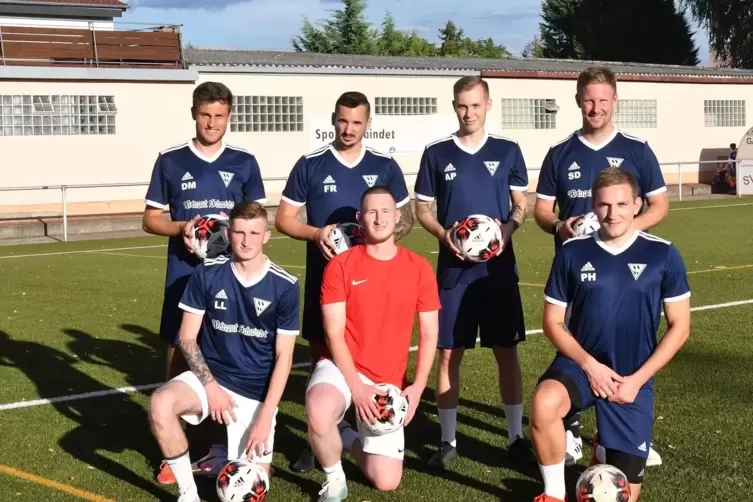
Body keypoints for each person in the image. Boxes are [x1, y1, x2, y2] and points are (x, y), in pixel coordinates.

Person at [533, 66, 669, 466]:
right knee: (575, 345)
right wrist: (560, 225)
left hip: (629, 271)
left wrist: (624, 229)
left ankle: (628, 429)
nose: (596, 107)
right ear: (578, 101)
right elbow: (541, 210)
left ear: (615, 101)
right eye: (589, 100)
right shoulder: (560, 153)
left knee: (628, 342)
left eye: (603, 100)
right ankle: (571, 428)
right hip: (576, 272)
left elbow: (659, 205)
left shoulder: (638, 150)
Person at [529, 168, 691, 502]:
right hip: (581, 365)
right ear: (593, 204)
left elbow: (680, 327)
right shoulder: (572, 252)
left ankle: (605, 448)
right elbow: (552, 322)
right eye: (603, 205)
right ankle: (555, 494)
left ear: (636, 205)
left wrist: (637, 380)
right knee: (544, 404)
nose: (612, 213)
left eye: (621, 204)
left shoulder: (663, 254)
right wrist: (589, 365)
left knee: (623, 496)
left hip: (632, 374)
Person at [275, 91, 413, 472]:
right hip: (327, 280)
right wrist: (317, 234)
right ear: (333, 120)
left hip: (374, 283)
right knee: (322, 356)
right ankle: (316, 437)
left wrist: (377, 242)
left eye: (357, 122)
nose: (349, 129)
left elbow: (406, 220)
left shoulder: (384, 165)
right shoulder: (311, 164)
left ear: (369, 124)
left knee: (369, 351)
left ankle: (363, 430)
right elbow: (284, 219)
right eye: (342, 121)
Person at [142, 82, 266, 483]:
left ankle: (221, 444)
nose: (212, 123)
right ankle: (174, 449)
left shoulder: (245, 162)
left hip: (231, 276)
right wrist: (185, 228)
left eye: (219, 116)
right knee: (180, 351)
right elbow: (150, 219)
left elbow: (257, 218)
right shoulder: (171, 160)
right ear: (194, 113)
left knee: (230, 350)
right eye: (205, 115)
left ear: (230, 117)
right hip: (185, 273)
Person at [414, 75, 532, 468]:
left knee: (506, 351)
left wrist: (506, 230)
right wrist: (443, 234)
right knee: (449, 354)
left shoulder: (508, 150)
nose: (469, 113)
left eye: (475, 105)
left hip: (498, 271)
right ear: (454, 107)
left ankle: (515, 436)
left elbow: (521, 204)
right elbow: (423, 209)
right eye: (462, 106)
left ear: (488, 104)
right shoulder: (436, 154)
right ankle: (448, 441)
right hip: (453, 271)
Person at [148, 201, 300, 502]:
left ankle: (219, 460)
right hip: (212, 380)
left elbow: (284, 358)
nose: (246, 240)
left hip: (255, 393)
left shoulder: (285, 286)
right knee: (160, 404)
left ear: (266, 236)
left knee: (250, 488)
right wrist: (211, 387)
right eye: (240, 232)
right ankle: (188, 493)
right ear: (228, 233)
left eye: (255, 233)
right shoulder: (207, 273)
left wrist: (265, 417)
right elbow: (187, 339)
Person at [305, 186, 440, 501]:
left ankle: (346, 434)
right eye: (371, 212)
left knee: (386, 481)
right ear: (359, 218)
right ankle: (335, 480)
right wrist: (356, 388)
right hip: (342, 366)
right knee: (319, 409)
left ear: (397, 216)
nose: (379, 219)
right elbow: (333, 334)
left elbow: (430, 333)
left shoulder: (419, 267)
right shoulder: (340, 265)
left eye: (385, 211)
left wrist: (418, 387)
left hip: (387, 380)